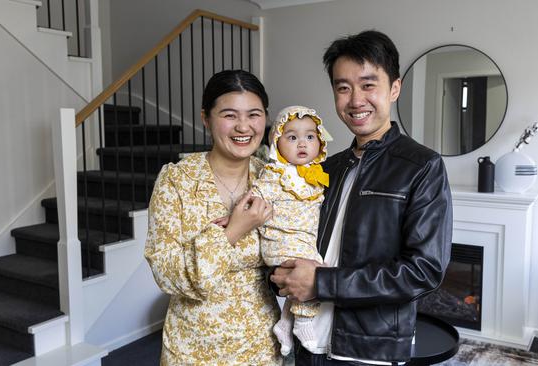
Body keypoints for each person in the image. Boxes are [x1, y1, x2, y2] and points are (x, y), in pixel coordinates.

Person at [270, 30, 453, 365]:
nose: (355, 100)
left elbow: (424, 271)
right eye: (343, 87)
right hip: (306, 337)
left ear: (394, 88)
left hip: (368, 349)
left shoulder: (422, 166)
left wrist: (322, 283)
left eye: (368, 85)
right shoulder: (326, 167)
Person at [144, 69, 281, 365]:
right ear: (206, 118)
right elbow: (165, 273)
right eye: (229, 115)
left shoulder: (272, 179)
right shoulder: (177, 180)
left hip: (259, 344)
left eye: (254, 115)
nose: (243, 126)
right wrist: (232, 231)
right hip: (192, 347)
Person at [253, 106, 330, 355]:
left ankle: (285, 324)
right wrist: (233, 216)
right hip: (281, 240)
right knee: (317, 273)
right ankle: (304, 323)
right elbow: (254, 197)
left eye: (310, 136)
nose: (302, 143)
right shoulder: (275, 174)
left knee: (305, 279)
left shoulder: (314, 176)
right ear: (276, 142)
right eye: (292, 137)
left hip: (302, 242)